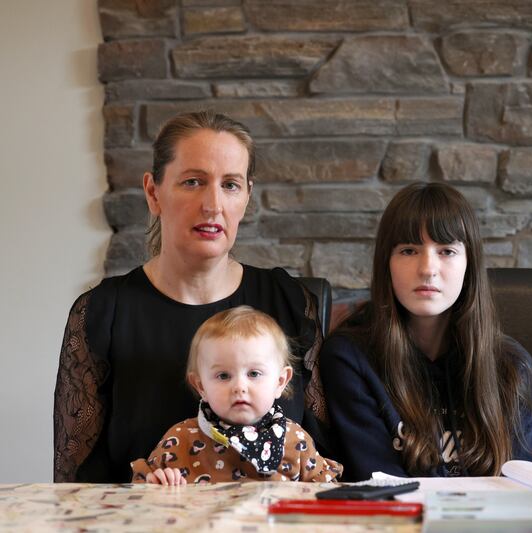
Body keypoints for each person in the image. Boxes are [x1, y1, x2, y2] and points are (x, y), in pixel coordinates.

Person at [53, 111, 328, 483]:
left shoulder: (290, 304)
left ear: (247, 196)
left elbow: (327, 463)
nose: (212, 204)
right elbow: (75, 485)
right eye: (193, 181)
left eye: (230, 185)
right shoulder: (102, 313)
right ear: (153, 192)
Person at [319, 182, 532, 481]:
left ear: (470, 265)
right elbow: (381, 486)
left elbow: (526, 487)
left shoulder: (510, 365)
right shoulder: (349, 358)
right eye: (409, 250)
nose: (428, 268)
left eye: (447, 251)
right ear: (386, 263)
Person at [131, 306, 341, 485]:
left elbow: (327, 496)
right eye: (223, 375)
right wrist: (158, 483)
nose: (239, 386)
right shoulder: (180, 439)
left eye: (254, 374)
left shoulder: (295, 439)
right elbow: (140, 493)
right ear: (200, 385)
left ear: (280, 381)